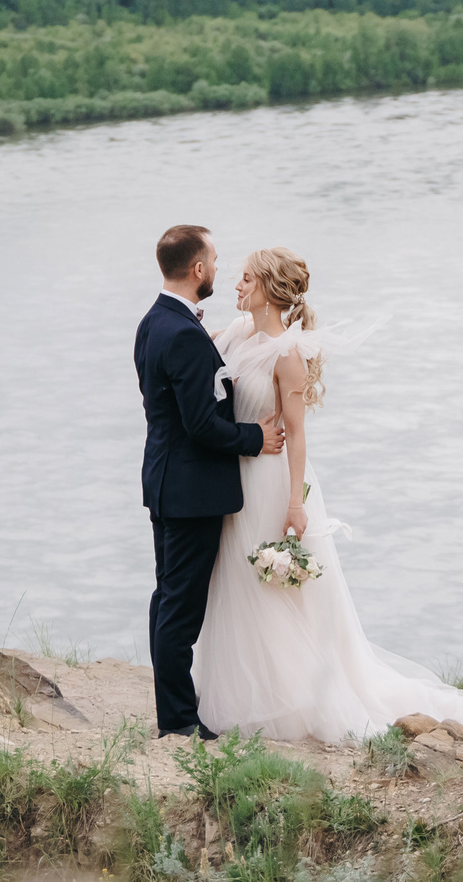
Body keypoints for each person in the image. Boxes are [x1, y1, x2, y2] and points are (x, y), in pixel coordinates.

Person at [192, 245, 463, 742]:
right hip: (235, 475)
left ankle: (290, 697)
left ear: (269, 289)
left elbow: (297, 434)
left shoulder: (288, 354)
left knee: (271, 588)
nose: (237, 286)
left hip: (270, 481)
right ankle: (240, 689)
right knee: (235, 582)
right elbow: (196, 345)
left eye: (246, 279)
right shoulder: (240, 332)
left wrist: (295, 504)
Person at [133, 224, 284, 738]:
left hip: (164, 480)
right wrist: (254, 437)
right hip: (190, 492)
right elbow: (200, 425)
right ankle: (178, 722)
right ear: (198, 269)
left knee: (167, 599)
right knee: (180, 607)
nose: (218, 269)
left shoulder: (153, 322)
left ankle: (174, 711)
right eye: (215, 261)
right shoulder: (181, 333)